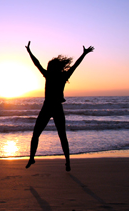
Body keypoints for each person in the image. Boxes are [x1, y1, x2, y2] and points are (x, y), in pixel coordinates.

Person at [25, 41, 94, 171]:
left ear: (52, 67)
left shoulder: (49, 75)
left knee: (37, 134)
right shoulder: (62, 75)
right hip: (56, 107)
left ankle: (32, 158)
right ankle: (66, 161)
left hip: (49, 107)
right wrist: (83, 54)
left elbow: (37, 63)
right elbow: (75, 66)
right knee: (61, 135)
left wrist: (29, 51)